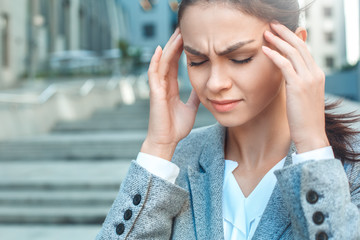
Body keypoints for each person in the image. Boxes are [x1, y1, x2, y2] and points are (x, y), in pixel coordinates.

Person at [97, 0, 360, 239]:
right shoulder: (173, 166)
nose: (215, 83)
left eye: (240, 59)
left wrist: (314, 150)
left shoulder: (350, 167)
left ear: (295, 46)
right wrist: (158, 147)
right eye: (197, 61)